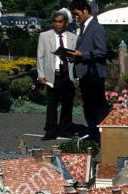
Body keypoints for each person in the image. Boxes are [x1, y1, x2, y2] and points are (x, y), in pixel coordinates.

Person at [68, 0, 108, 143]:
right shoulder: (84, 27)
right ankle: (94, 136)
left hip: (94, 74)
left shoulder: (96, 27)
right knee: (89, 107)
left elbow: (102, 51)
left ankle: (101, 138)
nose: (76, 17)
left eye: (77, 14)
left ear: (85, 10)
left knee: (97, 107)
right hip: (86, 74)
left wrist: (82, 55)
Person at [37, 10, 77, 141]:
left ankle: (65, 130)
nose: (58, 24)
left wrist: (77, 76)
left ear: (65, 23)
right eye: (55, 22)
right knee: (52, 104)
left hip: (67, 74)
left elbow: (77, 59)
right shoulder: (44, 36)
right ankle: (50, 131)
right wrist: (41, 74)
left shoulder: (73, 37)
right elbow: (40, 57)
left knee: (67, 104)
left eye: (60, 22)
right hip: (52, 74)